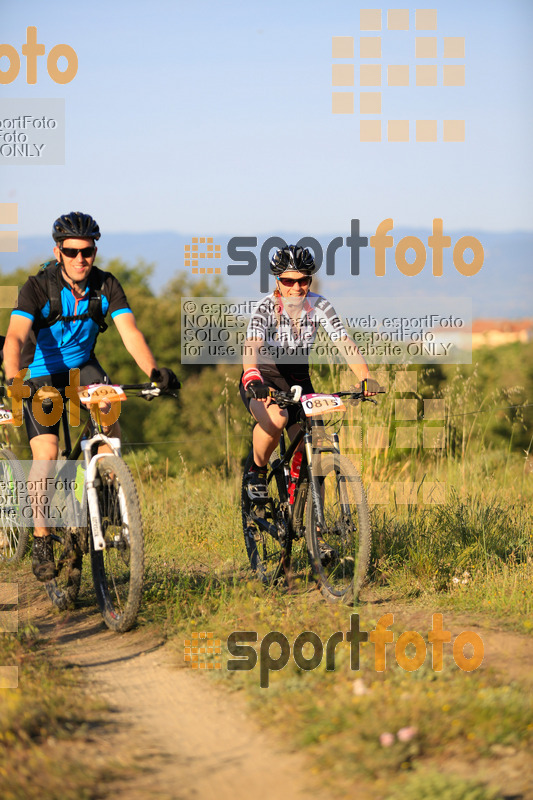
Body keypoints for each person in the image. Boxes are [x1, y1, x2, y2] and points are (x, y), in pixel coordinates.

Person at [3, 211, 180, 582]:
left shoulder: (106, 286)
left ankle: (106, 486)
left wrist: (153, 372)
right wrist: (11, 378)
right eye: (71, 251)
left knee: (109, 404)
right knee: (48, 453)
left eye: (87, 251)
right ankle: (41, 536)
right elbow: (16, 337)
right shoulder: (37, 287)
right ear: (58, 252)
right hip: (41, 374)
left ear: (95, 251)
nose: (80, 259)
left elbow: (129, 332)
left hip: (84, 367)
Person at [240, 244, 378, 506]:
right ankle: (255, 472)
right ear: (278, 282)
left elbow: (344, 343)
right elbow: (252, 346)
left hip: (298, 379)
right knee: (276, 419)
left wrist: (365, 377)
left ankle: (316, 532)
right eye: (288, 281)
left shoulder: (320, 305)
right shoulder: (266, 308)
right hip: (264, 376)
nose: (296, 287)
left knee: (316, 447)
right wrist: (252, 378)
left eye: (303, 280)